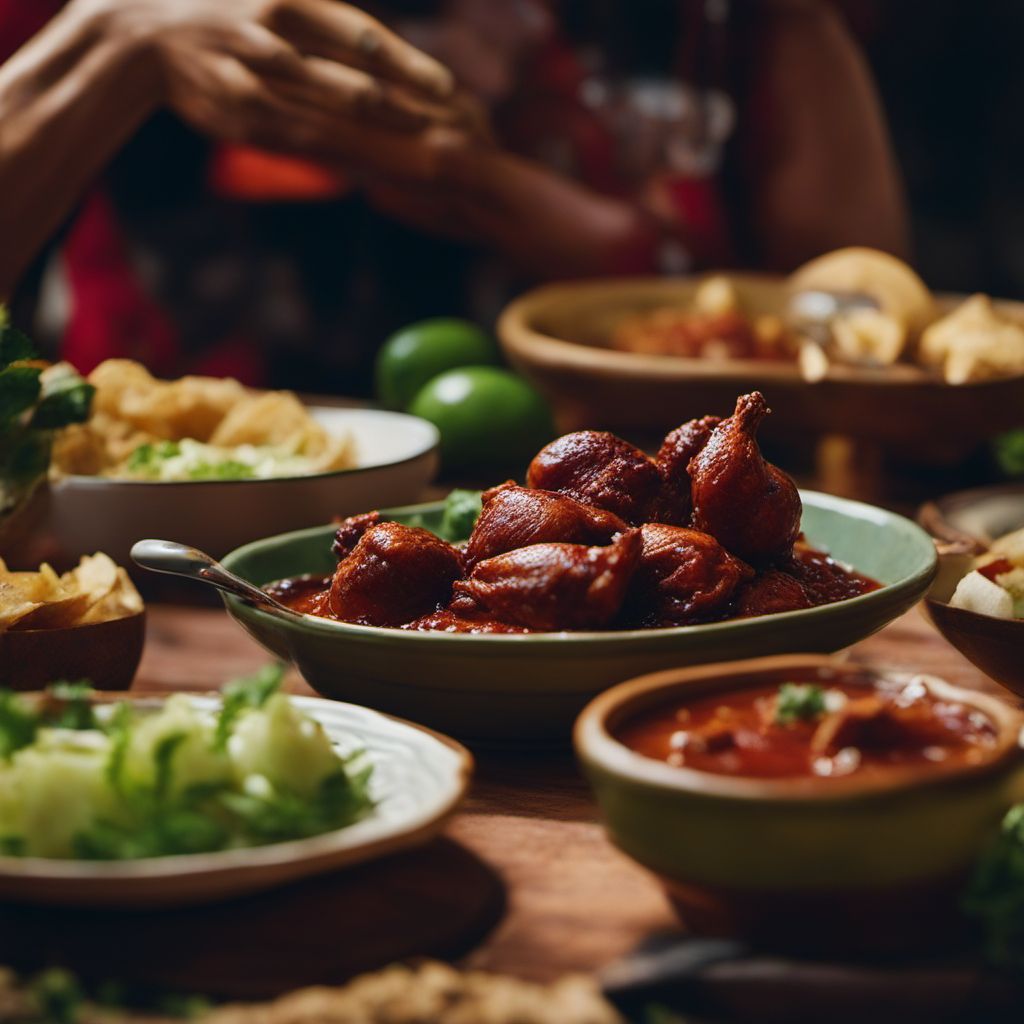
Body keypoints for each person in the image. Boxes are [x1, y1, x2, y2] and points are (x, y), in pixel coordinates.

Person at [0, 0, 908, 393]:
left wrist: (483, 185)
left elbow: (877, 343)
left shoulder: (742, 24)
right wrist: (113, 42)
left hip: (659, 554)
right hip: (169, 548)